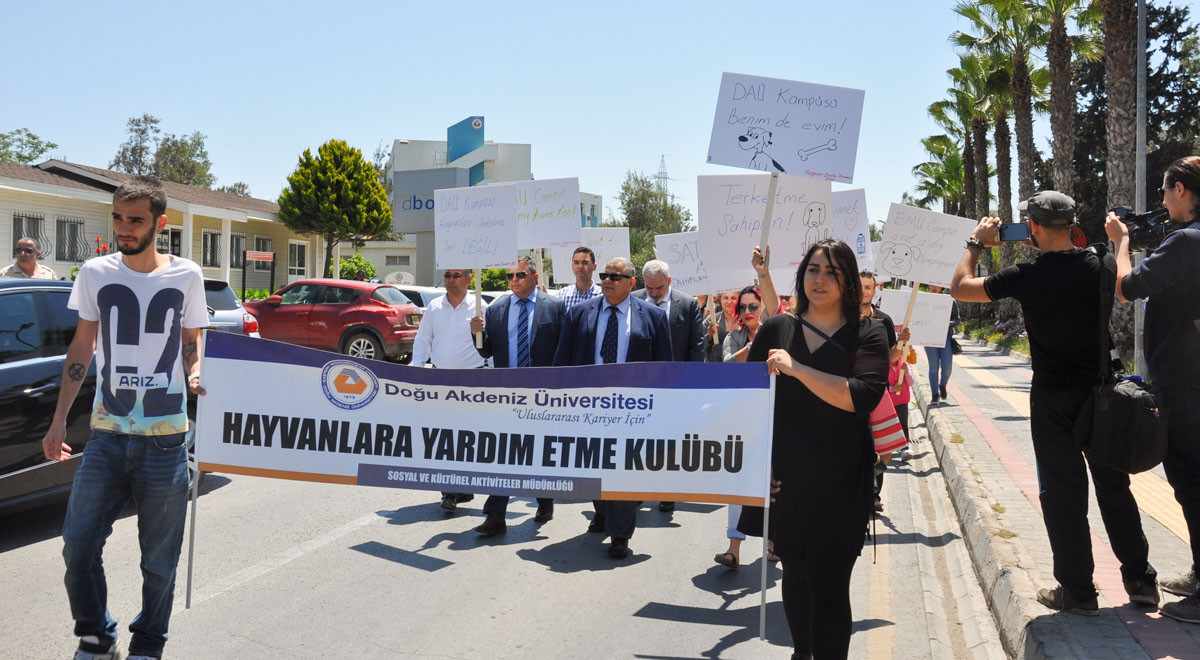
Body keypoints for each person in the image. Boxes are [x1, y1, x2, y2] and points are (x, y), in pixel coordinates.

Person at [951, 190, 1159, 615]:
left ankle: (1079, 592)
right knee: (1115, 489)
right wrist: (1118, 242)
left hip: (1052, 401)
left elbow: (960, 289)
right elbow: (1121, 282)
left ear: (1032, 227)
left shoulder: (1026, 274)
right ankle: (1141, 579)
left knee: (1063, 497)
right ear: (1072, 224)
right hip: (1102, 397)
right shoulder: (1098, 262)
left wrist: (975, 244)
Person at [41, 176, 207, 660]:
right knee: (77, 547)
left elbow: (191, 346)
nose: (124, 228)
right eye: (118, 217)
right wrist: (58, 421)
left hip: (166, 440)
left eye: (135, 219)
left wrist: (195, 375)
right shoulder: (95, 272)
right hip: (108, 435)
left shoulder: (187, 276)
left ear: (161, 222)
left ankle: (148, 645)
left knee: (159, 561)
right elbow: (82, 347)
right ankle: (97, 637)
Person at [743, 238, 888, 658]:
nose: (820, 280)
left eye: (832, 272)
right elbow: (748, 404)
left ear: (849, 283)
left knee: (829, 580)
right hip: (787, 480)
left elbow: (862, 396)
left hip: (843, 481)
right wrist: (756, 465)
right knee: (797, 573)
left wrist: (798, 369)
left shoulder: (870, 332)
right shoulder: (777, 329)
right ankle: (802, 651)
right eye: (813, 269)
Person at [1105, 156, 1200, 622]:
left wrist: (1122, 243)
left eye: (1165, 191)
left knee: (1191, 482)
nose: (1163, 200)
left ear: (1181, 189)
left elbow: (1126, 287)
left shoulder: (1185, 242)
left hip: (1185, 384)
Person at [553, 256, 672, 559]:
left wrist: (662, 411)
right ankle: (603, 511)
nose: (606, 280)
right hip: (587, 408)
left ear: (632, 283)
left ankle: (620, 534)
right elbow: (562, 362)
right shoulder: (579, 314)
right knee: (592, 465)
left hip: (632, 411)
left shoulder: (653, 317)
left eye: (614, 277)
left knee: (623, 471)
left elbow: (664, 367)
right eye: (604, 275)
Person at [469, 256, 565, 535]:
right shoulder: (496, 309)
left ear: (535, 276)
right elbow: (487, 351)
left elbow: (564, 351)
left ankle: (545, 498)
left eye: (520, 274)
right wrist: (476, 334)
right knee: (503, 453)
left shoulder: (555, 308)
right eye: (509, 275)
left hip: (544, 395)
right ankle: (496, 515)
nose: (514, 280)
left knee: (539, 452)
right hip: (507, 395)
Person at [410, 267, 487, 512]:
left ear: (468, 279)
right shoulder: (434, 307)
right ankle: (451, 491)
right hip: (441, 381)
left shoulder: (480, 307)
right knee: (445, 438)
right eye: (447, 276)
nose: (451, 281)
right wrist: (416, 366)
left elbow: (490, 345)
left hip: (471, 381)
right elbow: (424, 339)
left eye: (456, 276)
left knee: (465, 437)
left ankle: (459, 489)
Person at [633, 259, 705, 513]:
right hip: (640, 388)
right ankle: (637, 491)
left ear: (670, 282)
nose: (653, 293)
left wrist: (688, 384)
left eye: (659, 288)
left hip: (675, 387)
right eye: (649, 288)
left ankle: (667, 492)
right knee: (640, 442)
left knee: (671, 443)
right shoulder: (633, 300)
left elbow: (697, 346)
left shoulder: (688, 304)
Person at [713, 284, 768, 570]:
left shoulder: (777, 334)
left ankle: (773, 542)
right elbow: (726, 366)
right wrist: (749, 348)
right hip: (743, 419)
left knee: (773, 481)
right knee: (739, 482)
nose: (747, 312)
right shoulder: (733, 337)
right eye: (742, 307)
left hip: (774, 417)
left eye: (753, 307)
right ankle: (734, 548)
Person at [860, 270, 908, 510]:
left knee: (885, 445)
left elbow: (890, 357)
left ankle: (873, 494)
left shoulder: (883, 320)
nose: (864, 291)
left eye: (868, 287)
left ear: (874, 290)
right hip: (850, 390)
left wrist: (901, 343)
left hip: (878, 392)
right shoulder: (841, 317)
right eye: (859, 287)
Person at [924, 285, 959, 404]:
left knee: (947, 367)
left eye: (937, 285)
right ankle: (934, 394)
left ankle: (942, 385)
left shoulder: (950, 300)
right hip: (929, 338)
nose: (934, 287)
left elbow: (957, 319)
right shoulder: (923, 300)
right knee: (933, 367)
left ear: (941, 287)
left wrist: (948, 323)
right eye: (932, 284)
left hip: (945, 338)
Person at [556, 246, 601, 310]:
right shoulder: (561, 295)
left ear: (594, 266)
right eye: (576, 263)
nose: (580, 266)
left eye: (585, 263)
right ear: (572, 266)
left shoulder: (602, 296)